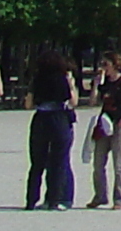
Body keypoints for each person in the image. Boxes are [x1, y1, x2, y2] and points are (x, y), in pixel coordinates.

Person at [22, 46, 75, 209]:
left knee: (37, 163)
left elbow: (28, 104)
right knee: (58, 162)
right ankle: (54, 200)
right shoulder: (62, 78)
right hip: (59, 118)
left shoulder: (37, 79)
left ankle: (31, 200)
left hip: (41, 119)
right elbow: (72, 102)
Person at [83, 52, 121, 210]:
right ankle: (100, 196)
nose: (103, 68)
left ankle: (119, 199)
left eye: (106, 64)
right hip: (104, 124)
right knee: (98, 163)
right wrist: (95, 85)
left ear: (115, 65)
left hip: (119, 124)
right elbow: (92, 102)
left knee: (119, 164)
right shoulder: (104, 82)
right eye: (102, 65)